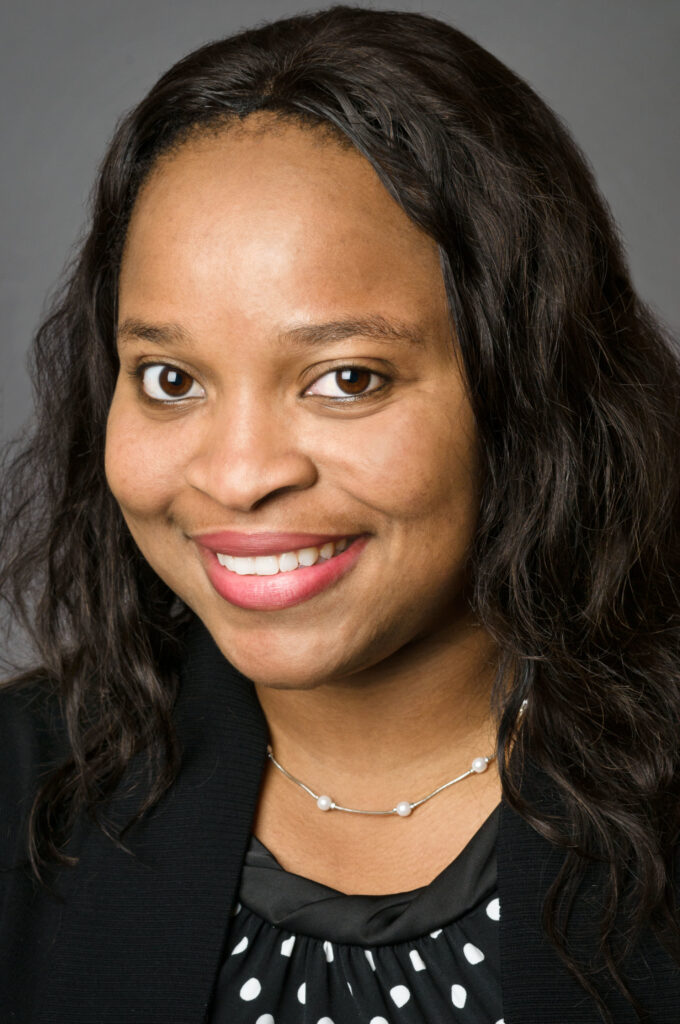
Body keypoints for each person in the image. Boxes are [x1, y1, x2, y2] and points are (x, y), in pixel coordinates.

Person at [1, 5, 679, 1022]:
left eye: (346, 377)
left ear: (527, 390)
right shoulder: (19, 791)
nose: (237, 476)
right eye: (171, 377)